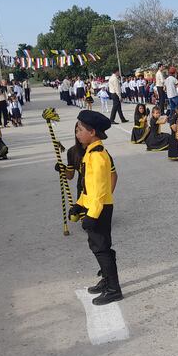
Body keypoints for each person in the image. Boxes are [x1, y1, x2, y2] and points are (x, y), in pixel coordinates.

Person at [69, 110, 122, 305]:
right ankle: (107, 280)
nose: (77, 133)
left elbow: (100, 191)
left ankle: (113, 289)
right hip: (94, 206)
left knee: (101, 248)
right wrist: (79, 205)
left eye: (80, 129)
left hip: (100, 208)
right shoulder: (90, 153)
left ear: (92, 132)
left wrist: (91, 215)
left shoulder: (98, 156)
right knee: (98, 246)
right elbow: (88, 187)